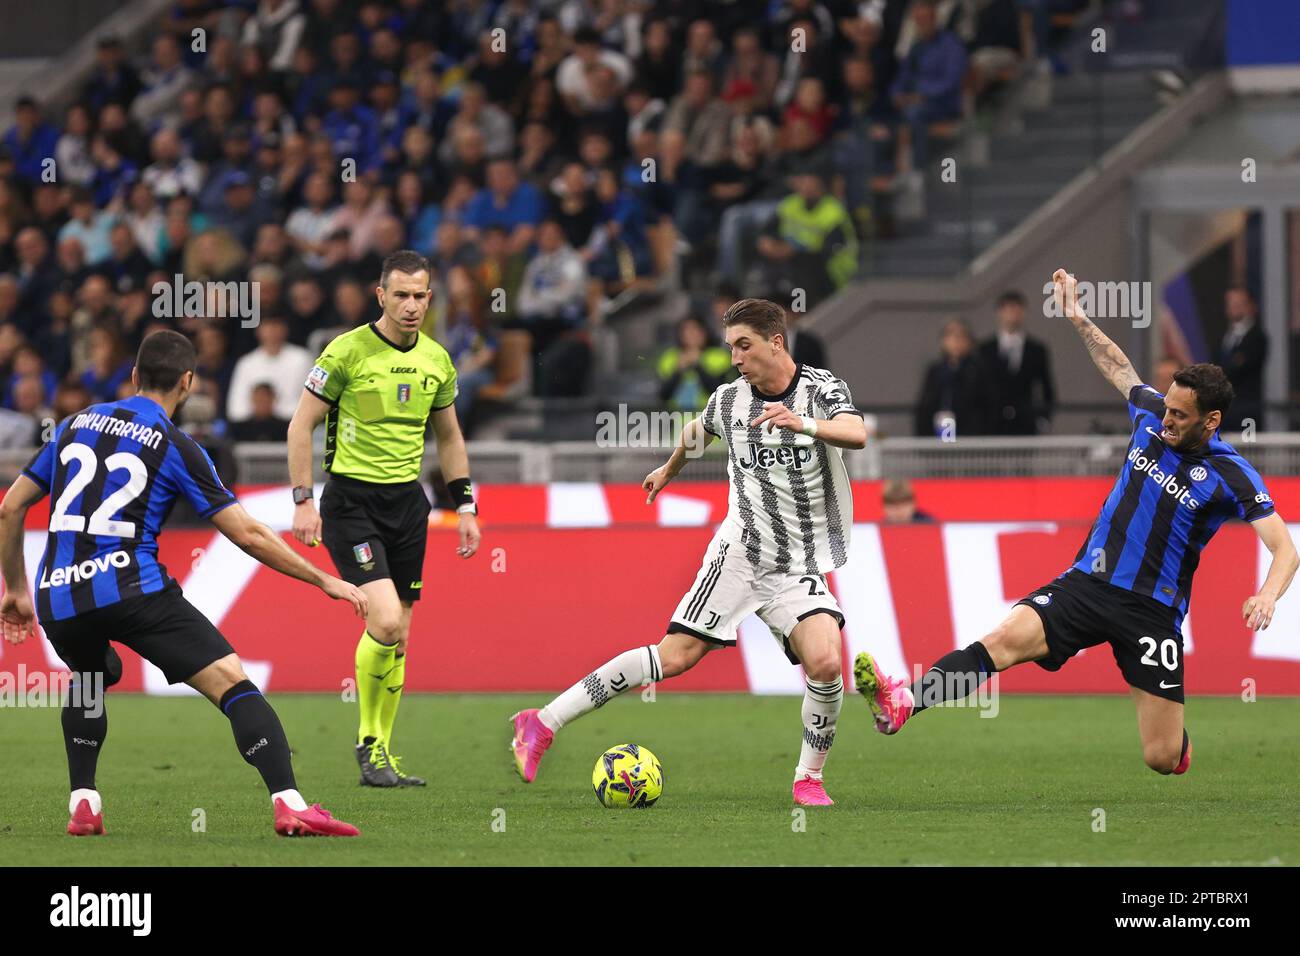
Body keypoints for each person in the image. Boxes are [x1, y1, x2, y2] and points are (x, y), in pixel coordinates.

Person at [856, 269, 1299, 777]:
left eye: (1180, 414)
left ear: (1212, 420)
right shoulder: (1151, 417)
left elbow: (1285, 549)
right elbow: (1120, 367)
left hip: (1151, 614)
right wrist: (1077, 316)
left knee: (1161, 757)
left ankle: (1178, 744)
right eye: (1167, 407)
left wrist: (1266, 595)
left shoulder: (1230, 474)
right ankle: (904, 702)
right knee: (999, 642)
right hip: (1087, 584)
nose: (1167, 419)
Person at [0, 330, 367, 837]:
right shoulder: (175, 445)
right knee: (231, 682)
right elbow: (248, 533)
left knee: (89, 677)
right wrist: (324, 579)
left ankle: (83, 802)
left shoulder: (71, 425)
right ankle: (290, 803)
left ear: (133, 375)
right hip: (134, 590)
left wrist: (16, 589)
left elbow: (10, 507)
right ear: (188, 382)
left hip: (58, 596)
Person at [510, 298, 871, 807]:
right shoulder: (730, 400)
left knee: (827, 662)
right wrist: (668, 470)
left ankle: (808, 779)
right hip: (740, 554)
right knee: (675, 657)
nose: (736, 358)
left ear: (776, 342)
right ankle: (541, 723)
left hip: (798, 563)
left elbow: (856, 432)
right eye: (730, 348)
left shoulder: (822, 389)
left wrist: (803, 424)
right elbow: (696, 434)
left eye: (744, 346)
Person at [287, 250, 481, 788]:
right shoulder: (346, 352)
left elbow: (449, 437)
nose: (412, 305)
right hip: (351, 503)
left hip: (407, 505)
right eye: (401, 295)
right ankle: (368, 742)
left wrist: (465, 506)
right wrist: (303, 499)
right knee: (387, 620)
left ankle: (380, 753)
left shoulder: (437, 361)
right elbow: (300, 426)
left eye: (421, 295)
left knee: (402, 634)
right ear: (381, 296)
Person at [978, 290, 1055, 435]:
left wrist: (1043, 419)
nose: (1012, 314)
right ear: (999, 312)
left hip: (1025, 423)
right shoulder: (984, 350)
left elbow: (1046, 388)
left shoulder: (1036, 350)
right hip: (992, 425)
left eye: (1016, 309)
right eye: (1008, 309)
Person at [913, 318, 994, 437]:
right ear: (943, 341)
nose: (956, 341)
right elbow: (925, 406)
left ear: (969, 341)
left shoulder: (979, 370)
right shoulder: (935, 371)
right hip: (940, 429)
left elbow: (987, 407)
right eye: (950, 335)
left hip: (970, 435)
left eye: (961, 336)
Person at [1213, 286, 1266, 434]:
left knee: (1248, 450)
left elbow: (1239, 369)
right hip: (1224, 409)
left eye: (1239, 303)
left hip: (1247, 409)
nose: (1234, 308)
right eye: (1231, 303)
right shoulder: (1223, 336)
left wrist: (1220, 370)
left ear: (1251, 305)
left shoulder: (1256, 337)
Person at [656, 314, 732, 412]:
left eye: (696, 330)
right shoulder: (669, 357)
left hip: (708, 420)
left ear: (705, 332)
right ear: (680, 335)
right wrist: (678, 371)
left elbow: (719, 392)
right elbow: (663, 395)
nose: (692, 334)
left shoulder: (719, 356)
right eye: (687, 330)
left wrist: (698, 365)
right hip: (677, 421)